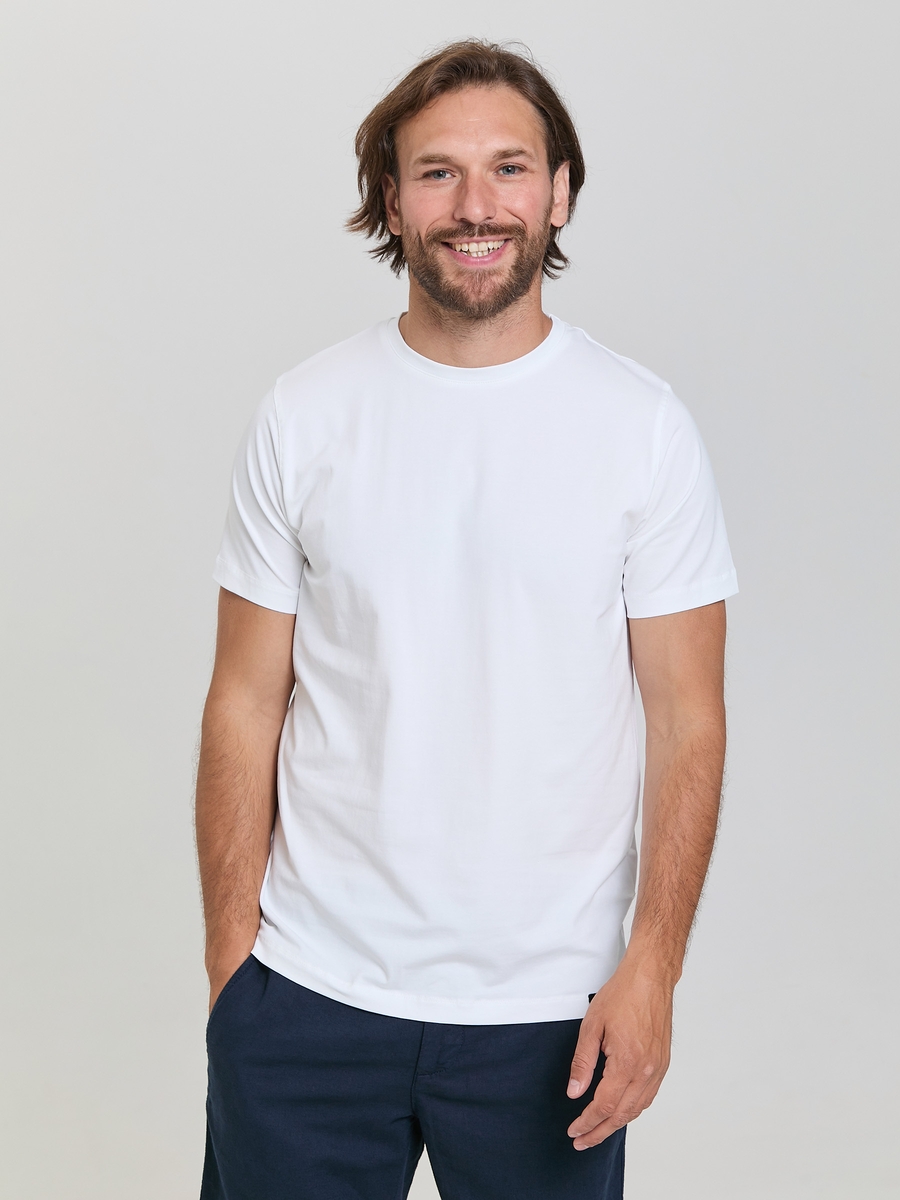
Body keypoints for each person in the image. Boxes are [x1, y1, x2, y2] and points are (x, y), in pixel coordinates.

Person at [195, 39, 737, 1200]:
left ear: (560, 192)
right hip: (308, 995)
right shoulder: (304, 416)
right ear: (391, 201)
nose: (476, 206)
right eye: (437, 172)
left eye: (510, 168)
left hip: (553, 1015)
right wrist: (233, 966)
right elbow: (244, 698)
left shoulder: (642, 429)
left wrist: (654, 968)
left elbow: (688, 717)